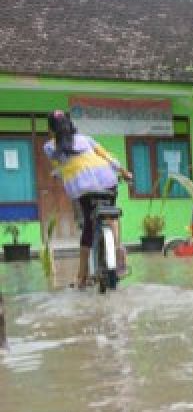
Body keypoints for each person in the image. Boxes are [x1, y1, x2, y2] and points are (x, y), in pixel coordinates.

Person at [43, 110, 132, 288]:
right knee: (111, 215)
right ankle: (118, 249)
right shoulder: (86, 139)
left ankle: (81, 278)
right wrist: (125, 174)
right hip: (108, 181)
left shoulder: (50, 147)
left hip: (83, 188)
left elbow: (62, 166)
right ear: (70, 124)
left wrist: (59, 174)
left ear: (51, 129)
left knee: (88, 228)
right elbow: (109, 158)